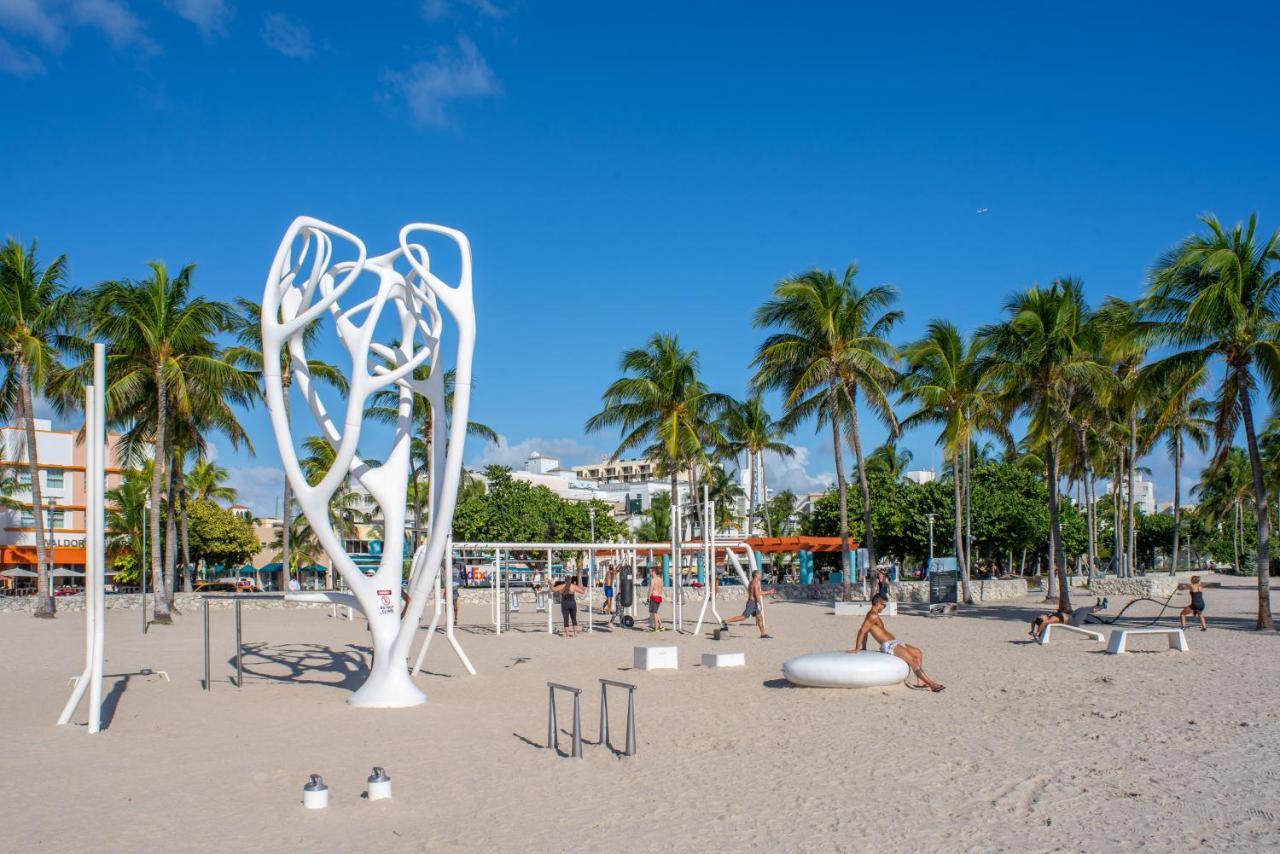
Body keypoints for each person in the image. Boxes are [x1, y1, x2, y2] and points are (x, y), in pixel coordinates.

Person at [851, 595, 945, 692]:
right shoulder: (872, 615)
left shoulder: (874, 615)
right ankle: (932, 685)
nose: (884, 607)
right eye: (884, 605)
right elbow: (862, 631)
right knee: (912, 660)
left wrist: (864, 647)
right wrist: (858, 648)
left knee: (918, 653)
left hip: (895, 642)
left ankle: (920, 682)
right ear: (879, 603)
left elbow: (866, 631)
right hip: (889, 645)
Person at [722, 570, 775, 638]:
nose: (760, 575)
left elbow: (759, 592)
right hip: (752, 603)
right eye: (759, 574)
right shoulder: (754, 583)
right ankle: (725, 621)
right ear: (756, 575)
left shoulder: (753, 582)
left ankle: (763, 634)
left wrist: (769, 592)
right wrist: (760, 604)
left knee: (760, 617)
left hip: (753, 603)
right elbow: (756, 594)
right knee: (743, 617)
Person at [648, 565, 664, 632]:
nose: (650, 573)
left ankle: (656, 628)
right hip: (659, 597)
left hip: (654, 597)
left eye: (651, 572)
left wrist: (648, 597)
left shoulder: (653, 580)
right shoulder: (660, 579)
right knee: (656, 612)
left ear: (653, 572)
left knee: (654, 613)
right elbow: (661, 589)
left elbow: (651, 589)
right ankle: (661, 626)